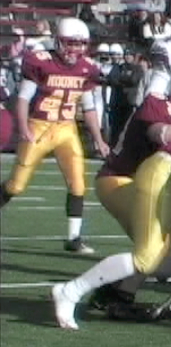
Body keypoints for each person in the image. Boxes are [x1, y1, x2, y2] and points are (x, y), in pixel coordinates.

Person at [50, 73, 171, 330]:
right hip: (143, 178)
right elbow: (162, 135)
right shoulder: (160, 104)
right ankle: (71, 291)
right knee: (149, 254)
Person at [0, 18, 109, 255]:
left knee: (78, 183)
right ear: (59, 41)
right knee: (16, 186)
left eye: (80, 44)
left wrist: (99, 139)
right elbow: (23, 99)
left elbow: (89, 108)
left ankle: (73, 238)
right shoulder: (41, 62)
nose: (75, 49)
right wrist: (24, 127)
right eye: (70, 43)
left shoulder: (87, 68)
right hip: (39, 126)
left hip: (66, 129)